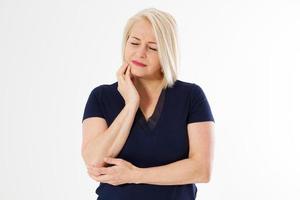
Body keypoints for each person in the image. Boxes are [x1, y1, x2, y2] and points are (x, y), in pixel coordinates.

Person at [81, 7, 215, 200]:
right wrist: (130, 105)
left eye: (153, 48)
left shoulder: (191, 96)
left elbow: (202, 170)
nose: (140, 53)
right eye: (134, 43)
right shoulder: (101, 96)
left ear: (167, 53)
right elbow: (94, 160)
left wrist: (134, 175)